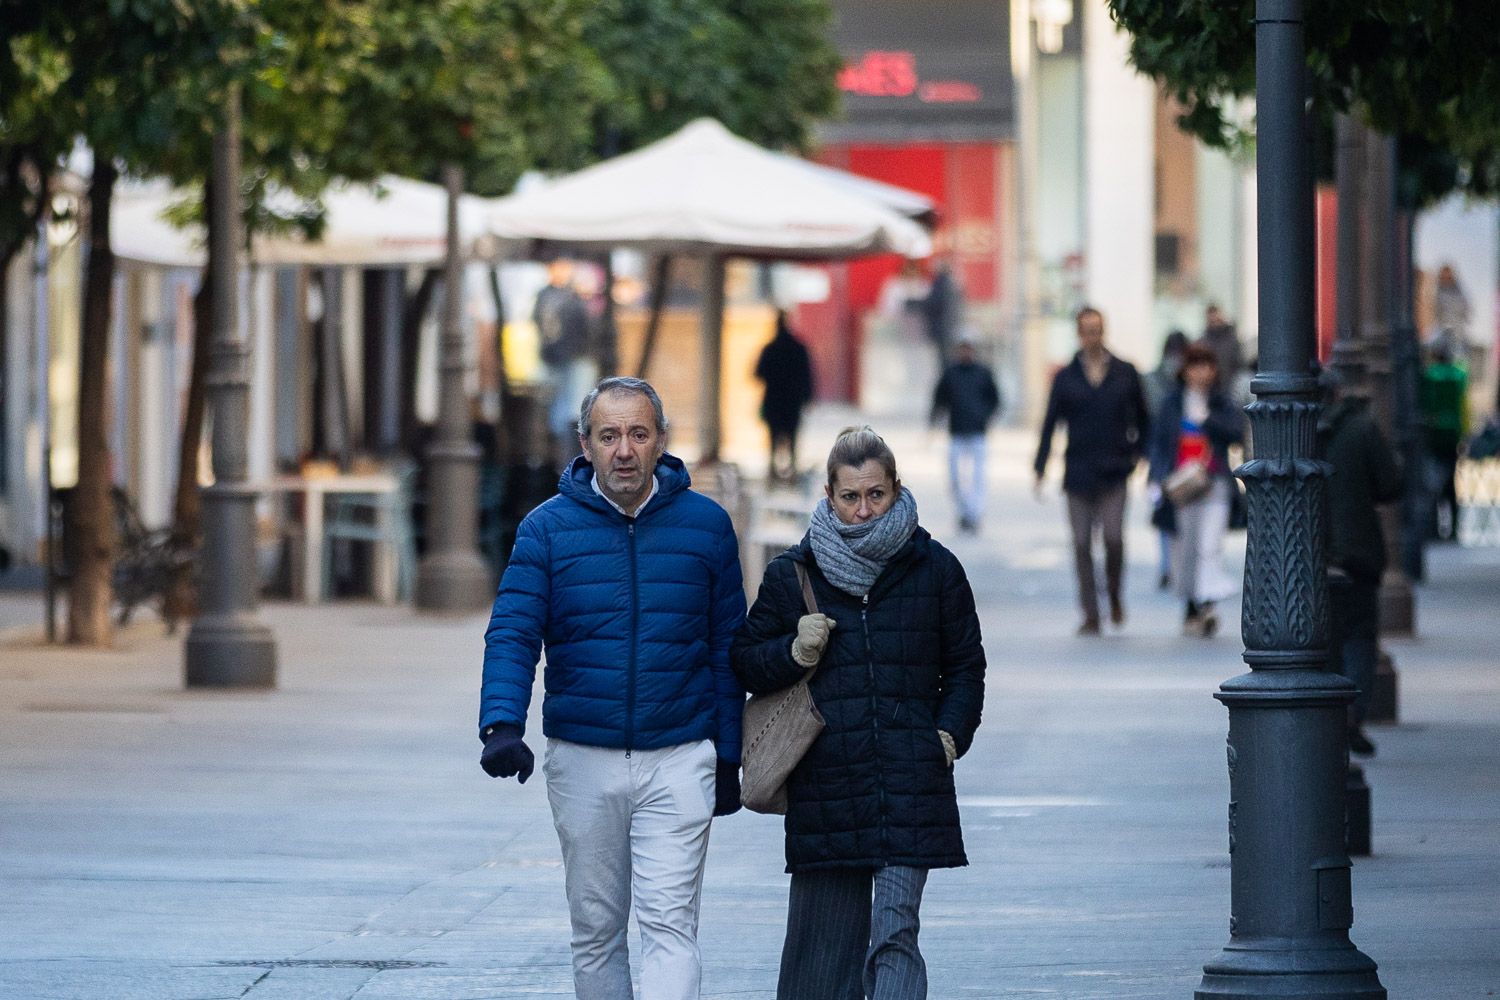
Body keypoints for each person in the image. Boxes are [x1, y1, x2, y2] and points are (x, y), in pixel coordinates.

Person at [478, 376, 747, 1000]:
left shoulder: (707, 527)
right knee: (597, 930)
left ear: (660, 442)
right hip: (583, 759)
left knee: (670, 925)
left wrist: (730, 755)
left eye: (637, 433)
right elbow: (514, 631)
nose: (623, 449)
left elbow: (727, 645)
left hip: (680, 755)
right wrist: (501, 726)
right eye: (609, 435)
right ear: (585, 445)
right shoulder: (545, 530)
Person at [731, 426, 986, 1000]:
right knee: (824, 956)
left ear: (897, 489)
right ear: (828, 496)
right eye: (850, 497)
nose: (864, 510)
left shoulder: (936, 569)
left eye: (877, 495)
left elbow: (966, 666)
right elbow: (745, 663)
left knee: (895, 933)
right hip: (827, 787)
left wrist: (948, 735)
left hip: (910, 778)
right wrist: (793, 651)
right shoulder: (792, 576)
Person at [1033, 307, 1151, 634]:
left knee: (1114, 539)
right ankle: (1090, 613)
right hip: (1078, 473)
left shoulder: (1125, 372)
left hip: (1115, 470)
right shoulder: (1066, 376)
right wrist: (1040, 466)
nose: (1092, 335)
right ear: (1078, 334)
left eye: (1097, 329)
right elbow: (1050, 423)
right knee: (1081, 543)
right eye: (1086, 329)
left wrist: (1140, 453)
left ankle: (1113, 592)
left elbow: (1143, 417)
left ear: (1104, 331)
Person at [1318, 367, 1403, 756]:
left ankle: (1332, 716)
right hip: (1357, 554)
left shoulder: (1295, 431)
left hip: (1311, 555)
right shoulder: (1361, 428)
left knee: (1327, 638)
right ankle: (1353, 714)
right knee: (1359, 636)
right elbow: (1389, 485)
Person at [1148, 345, 1244, 637]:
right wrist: (1156, 477)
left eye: (1206, 366)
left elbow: (1236, 432)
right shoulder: (1172, 402)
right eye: (1194, 366)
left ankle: (1208, 604)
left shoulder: (1221, 401)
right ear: (1184, 370)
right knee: (1186, 547)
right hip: (1181, 482)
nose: (1200, 373)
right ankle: (1192, 606)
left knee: (1210, 544)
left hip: (1213, 480)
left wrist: (1208, 420)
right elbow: (1160, 442)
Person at [930, 332, 1002, 534]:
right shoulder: (950, 373)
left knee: (978, 477)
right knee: (955, 478)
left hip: (978, 432)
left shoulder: (983, 373)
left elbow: (995, 399)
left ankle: (974, 515)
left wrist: (985, 417)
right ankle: (964, 512)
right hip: (956, 433)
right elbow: (939, 399)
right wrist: (933, 422)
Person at [535, 258, 596, 458]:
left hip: (574, 358)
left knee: (572, 411)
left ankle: (570, 455)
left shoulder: (568, 296)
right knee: (563, 412)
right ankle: (564, 456)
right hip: (560, 358)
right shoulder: (549, 295)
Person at [1144, 331, 1190, 588]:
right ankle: (1167, 566)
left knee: (1170, 515)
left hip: (1178, 457)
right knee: (1165, 515)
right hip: (1164, 457)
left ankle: (1172, 566)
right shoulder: (1153, 382)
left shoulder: (1182, 384)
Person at [754, 312, 816, 486]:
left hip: (774, 401)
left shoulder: (770, 348)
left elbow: (757, 373)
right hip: (792, 402)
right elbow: (807, 375)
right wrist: (808, 398)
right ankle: (792, 474)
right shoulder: (798, 347)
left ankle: (773, 474)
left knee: (773, 439)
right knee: (793, 437)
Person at [1420, 338, 1469, 540]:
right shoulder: (1459, 375)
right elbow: (1464, 407)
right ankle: (1454, 528)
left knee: (1432, 482)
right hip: (1453, 435)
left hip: (1432, 434)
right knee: (1451, 484)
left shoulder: (1429, 375)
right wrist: (1464, 434)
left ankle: (1435, 526)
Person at [1198, 304, 1243, 394]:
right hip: (1210, 388)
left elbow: (1239, 364)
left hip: (1231, 385)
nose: (1214, 321)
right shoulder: (1203, 342)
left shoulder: (1232, 340)